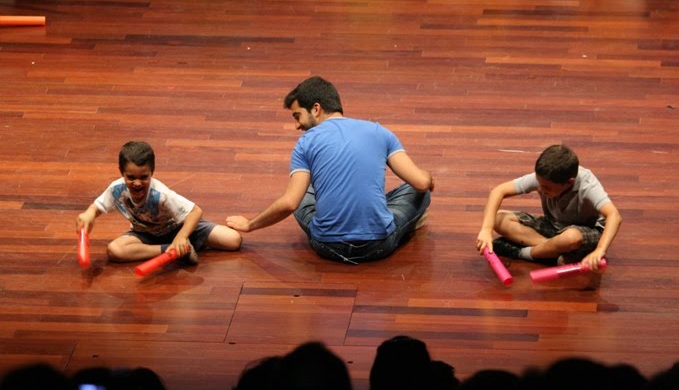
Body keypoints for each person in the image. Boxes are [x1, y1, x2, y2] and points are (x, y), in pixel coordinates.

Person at [226, 76, 433, 264]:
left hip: (328, 247)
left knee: (301, 191)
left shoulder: (305, 143)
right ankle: (374, 215)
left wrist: (250, 225)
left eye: (297, 116)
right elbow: (421, 183)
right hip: (379, 245)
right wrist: (429, 178)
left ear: (316, 108)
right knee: (418, 192)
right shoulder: (379, 132)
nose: (297, 126)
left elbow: (290, 203)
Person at [76, 140, 242, 265]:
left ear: (152, 173)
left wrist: (181, 236)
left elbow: (195, 211)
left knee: (233, 240)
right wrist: (89, 214)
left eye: (144, 177)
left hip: (179, 227)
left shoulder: (161, 194)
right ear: (122, 173)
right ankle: (171, 250)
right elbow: (97, 207)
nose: (137, 183)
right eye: (131, 177)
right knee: (114, 251)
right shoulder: (116, 189)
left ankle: (181, 244)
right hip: (145, 234)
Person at [475, 145, 621, 270]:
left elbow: (614, 216)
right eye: (539, 183)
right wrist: (486, 229)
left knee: (570, 237)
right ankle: (553, 251)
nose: (540, 188)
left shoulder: (588, 185)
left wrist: (600, 249)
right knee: (497, 218)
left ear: (569, 182)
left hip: (584, 233)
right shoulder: (545, 177)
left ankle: (523, 253)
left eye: (547, 187)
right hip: (553, 227)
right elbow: (498, 191)